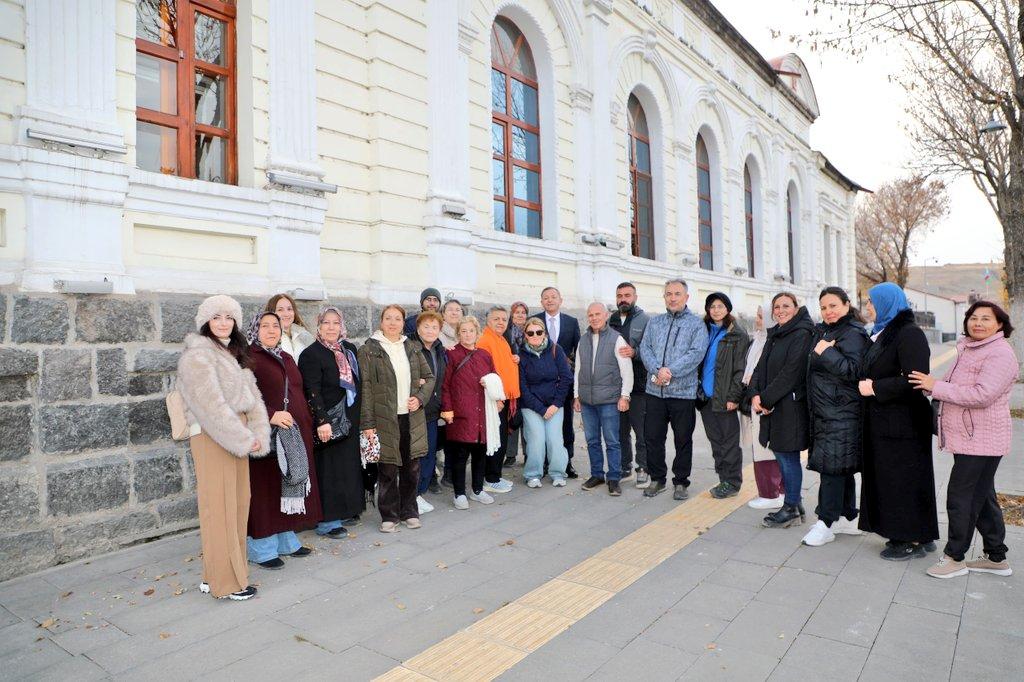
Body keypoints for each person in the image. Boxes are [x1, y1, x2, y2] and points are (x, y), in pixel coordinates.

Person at [910, 301, 1018, 578]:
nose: (978, 323)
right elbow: (948, 385)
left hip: (983, 438)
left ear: (1000, 325)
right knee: (981, 498)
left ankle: (955, 557)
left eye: (986, 319)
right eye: (973, 318)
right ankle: (996, 557)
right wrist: (929, 387)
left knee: (962, 497)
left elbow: (982, 394)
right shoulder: (968, 349)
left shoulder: (1000, 354)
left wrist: (938, 387)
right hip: (969, 436)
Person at [176, 295, 269, 601]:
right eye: (216, 317)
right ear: (205, 321)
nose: (223, 322)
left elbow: (252, 396)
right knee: (220, 508)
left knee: (238, 504)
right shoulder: (198, 355)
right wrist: (242, 437)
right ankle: (227, 583)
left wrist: (256, 432)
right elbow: (209, 406)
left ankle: (213, 575)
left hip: (235, 434)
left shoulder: (231, 352)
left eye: (229, 317)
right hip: (214, 436)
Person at [857, 282, 938, 560]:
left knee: (902, 481)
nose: (868, 306)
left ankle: (907, 540)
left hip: (904, 424)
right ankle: (921, 534)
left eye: (871, 302)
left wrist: (876, 388)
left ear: (886, 303)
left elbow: (916, 379)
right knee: (899, 479)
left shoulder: (908, 334)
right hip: (887, 422)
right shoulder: (884, 333)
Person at [245, 312, 321, 568]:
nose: (270, 330)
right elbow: (242, 398)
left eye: (275, 326)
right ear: (256, 329)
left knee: (285, 485)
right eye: (264, 326)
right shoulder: (248, 358)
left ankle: (285, 540)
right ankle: (262, 548)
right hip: (266, 433)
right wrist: (269, 416)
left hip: (292, 434)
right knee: (264, 490)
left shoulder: (285, 356)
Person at [800, 288, 870, 547]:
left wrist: (826, 352)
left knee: (832, 468)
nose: (828, 311)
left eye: (833, 306)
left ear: (847, 305)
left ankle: (825, 522)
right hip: (827, 412)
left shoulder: (853, 333)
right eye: (824, 307)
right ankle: (848, 516)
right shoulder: (827, 331)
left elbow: (854, 370)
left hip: (841, 413)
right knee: (840, 467)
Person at [358, 305, 435, 532]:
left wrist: (420, 398)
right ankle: (389, 515)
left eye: (398, 319)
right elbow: (366, 390)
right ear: (381, 322)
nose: (393, 323)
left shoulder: (411, 347)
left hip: (410, 417)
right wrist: (368, 424)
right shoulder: (369, 350)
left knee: (411, 468)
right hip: (384, 419)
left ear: (403, 323)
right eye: (388, 318)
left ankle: (410, 511)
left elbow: (428, 377)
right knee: (388, 469)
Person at [297, 307, 367, 538]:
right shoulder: (311, 354)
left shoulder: (348, 349)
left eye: (335, 323)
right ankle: (327, 521)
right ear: (318, 326)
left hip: (349, 419)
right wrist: (322, 420)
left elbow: (357, 384)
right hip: (328, 422)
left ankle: (346, 510)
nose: (331, 327)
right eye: (326, 323)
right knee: (329, 472)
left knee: (347, 469)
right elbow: (311, 390)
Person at [638, 279, 708, 500]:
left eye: (677, 293)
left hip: (682, 394)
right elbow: (644, 347)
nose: (672, 297)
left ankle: (681, 482)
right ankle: (658, 479)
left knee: (683, 439)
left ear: (686, 297)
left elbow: (696, 353)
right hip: (654, 392)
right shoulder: (655, 322)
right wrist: (658, 370)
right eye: (668, 293)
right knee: (652, 438)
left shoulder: (696, 325)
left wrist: (669, 371)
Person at [749, 292, 814, 527]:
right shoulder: (776, 333)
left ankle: (790, 509)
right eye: (777, 306)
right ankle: (795, 504)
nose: (781, 310)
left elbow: (791, 373)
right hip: (774, 406)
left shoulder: (803, 333)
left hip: (791, 408)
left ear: (796, 308)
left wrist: (764, 400)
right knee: (782, 455)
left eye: (786, 306)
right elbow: (760, 367)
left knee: (788, 458)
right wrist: (755, 394)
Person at [441, 317, 502, 508]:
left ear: (477, 333)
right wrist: (447, 408)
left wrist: (497, 395)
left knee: (480, 454)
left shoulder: (485, 355)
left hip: (483, 413)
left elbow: (496, 377)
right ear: (458, 334)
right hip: (461, 413)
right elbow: (445, 385)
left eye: (471, 331)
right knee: (460, 456)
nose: (468, 335)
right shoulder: (451, 355)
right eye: (464, 331)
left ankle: (477, 490)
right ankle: (459, 494)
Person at [574, 303, 633, 496]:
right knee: (592, 440)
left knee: (612, 441)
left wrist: (625, 396)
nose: (594, 318)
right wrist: (576, 395)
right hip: (587, 402)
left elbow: (627, 371)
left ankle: (614, 478)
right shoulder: (583, 340)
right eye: (590, 315)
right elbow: (578, 370)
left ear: (606, 315)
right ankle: (597, 474)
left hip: (609, 401)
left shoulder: (617, 339)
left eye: (597, 314)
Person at [697, 293, 751, 499]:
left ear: (727, 309)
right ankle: (723, 479)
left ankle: (733, 482)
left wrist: (734, 397)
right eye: (712, 306)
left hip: (725, 398)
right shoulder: (704, 331)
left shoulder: (737, 334)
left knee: (728, 443)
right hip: (706, 398)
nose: (716, 310)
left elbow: (740, 370)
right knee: (715, 442)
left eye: (720, 306)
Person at [532, 287, 582, 478]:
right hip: (540, 384)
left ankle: (567, 461)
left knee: (566, 424)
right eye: (546, 298)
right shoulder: (535, 320)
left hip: (563, 384)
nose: (550, 300)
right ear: (541, 301)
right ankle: (544, 462)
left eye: (553, 297)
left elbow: (578, 352)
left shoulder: (571, 322)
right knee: (541, 423)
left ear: (561, 300)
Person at [519, 318, 573, 487]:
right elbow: (522, 387)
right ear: (525, 335)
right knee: (536, 439)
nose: (535, 335)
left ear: (545, 333)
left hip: (554, 405)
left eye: (539, 332)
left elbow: (566, 378)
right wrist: (541, 409)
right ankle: (533, 474)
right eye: (530, 333)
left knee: (554, 439)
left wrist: (556, 404)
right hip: (531, 405)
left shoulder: (556, 350)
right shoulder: (520, 356)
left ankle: (558, 473)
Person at [741, 304, 784, 510]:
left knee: (765, 450)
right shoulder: (758, 341)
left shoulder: (772, 343)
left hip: (765, 404)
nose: (757, 320)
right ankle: (776, 492)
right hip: (756, 402)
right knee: (762, 450)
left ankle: (771, 494)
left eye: (760, 317)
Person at [609, 282, 650, 486]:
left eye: (627, 295)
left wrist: (636, 353)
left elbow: (653, 349)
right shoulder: (612, 319)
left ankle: (643, 468)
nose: (623, 299)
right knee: (620, 430)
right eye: (619, 295)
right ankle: (625, 466)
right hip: (617, 386)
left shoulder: (645, 320)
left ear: (635, 297)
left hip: (640, 386)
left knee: (641, 430)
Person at [476, 306, 519, 493]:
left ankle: (496, 475)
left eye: (504, 319)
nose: (501, 322)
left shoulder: (501, 339)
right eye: (496, 319)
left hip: (504, 399)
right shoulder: (485, 340)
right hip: (494, 400)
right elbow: (484, 373)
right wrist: (496, 398)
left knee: (500, 438)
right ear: (488, 321)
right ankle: (491, 478)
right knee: (495, 439)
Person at [414, 311, 447, 515]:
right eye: (426, 326)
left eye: (434, 327)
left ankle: (419, 493)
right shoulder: (412, 348)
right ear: (418, 329)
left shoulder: (439, 349)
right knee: (417, 456)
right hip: (416, 410)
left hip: (434, 411)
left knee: (429, 455)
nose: (430, 330)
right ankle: (413, 495)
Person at [504, 301, 530, 466]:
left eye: (523, 312)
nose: (520, 315)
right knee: (512, 417)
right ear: (511, 315)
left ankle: (528, 454)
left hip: (528, 380)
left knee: (527, 419)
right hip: (511, 380)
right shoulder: (505, 333)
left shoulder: (533, 331)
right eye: (517, 312)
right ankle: (511, 455)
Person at [266, 293, 314, 359]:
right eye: (280, 310)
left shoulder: (304, 334)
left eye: (289, 309)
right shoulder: (267, 338)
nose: (286, 314)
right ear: (271, 313)